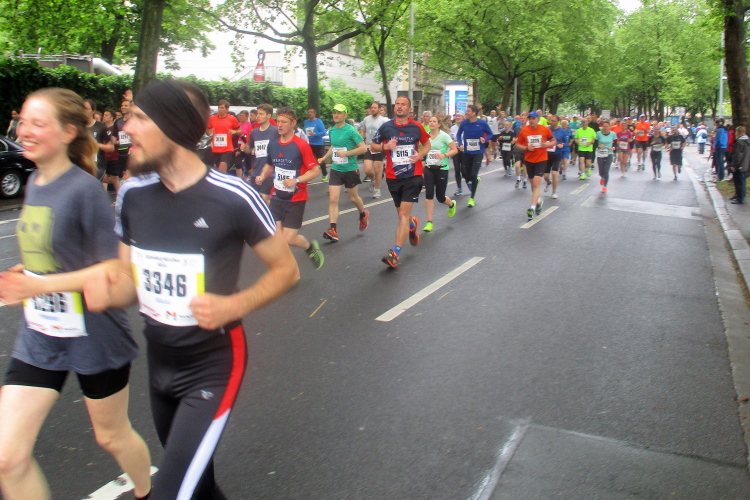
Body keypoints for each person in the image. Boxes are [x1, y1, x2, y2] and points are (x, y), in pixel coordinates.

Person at [108, 80, 299, 498]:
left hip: (212, 364)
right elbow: (125, 283)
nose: (127, 128)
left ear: (173, 125)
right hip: (159, 362)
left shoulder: (233, 196)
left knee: (172, 491)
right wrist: (86, 287)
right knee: (198, 487)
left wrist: (234, 304)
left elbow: (286, 271)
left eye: (139, 118)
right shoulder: (132, 195)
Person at [0, 88, 152, 500]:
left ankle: (147, 492)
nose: (24, 130)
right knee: (7, 458)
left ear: (68, 132)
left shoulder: (84, 190)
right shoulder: (35, 182)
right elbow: (58, 252)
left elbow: (116, 270)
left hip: (94, 335)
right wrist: (29, 271)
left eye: (37, 123)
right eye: (23, 121)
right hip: (40, 333)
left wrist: (38, 285)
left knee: (112, 436)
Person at [370, 96, 430, 268]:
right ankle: (412, 224)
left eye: (403, 104)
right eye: (397, 104)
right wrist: (385, 146)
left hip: (413, 175)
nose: (399, 106)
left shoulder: (416, 127)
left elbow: (427, 144)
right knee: (402, 215)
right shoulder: (386, 127)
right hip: (393, 176)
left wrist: (420, 155)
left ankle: (395, 254)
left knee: (403, 214)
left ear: (409, 109)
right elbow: (373, 146)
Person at [319, 104, 369, 242]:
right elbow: (334, 146)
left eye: (339, 113)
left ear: (345, 115)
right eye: (334, 112)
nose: (336, 115)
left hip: (350, 169)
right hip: (336, 169)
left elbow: (363, 148)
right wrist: (324, 157)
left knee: (353, 198)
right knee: (333, 199)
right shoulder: (332, 130)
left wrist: (346, 153)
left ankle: (363, 214)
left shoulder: (351, 131)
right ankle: (333, 230)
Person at [516, 111, 555, 220]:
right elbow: (518, 144)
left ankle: (532, 208)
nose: (531, 120)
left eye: (533, 118)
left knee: (537, 182)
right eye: (530, 118)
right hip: (529, 159)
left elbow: (553, 141)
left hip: (541, 159)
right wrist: (526, 148)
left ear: (538, 119)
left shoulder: (545, 129)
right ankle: (538, 201)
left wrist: (547, 144)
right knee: (533, 184)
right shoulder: (524, 130)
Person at [422, 115, 458, 232]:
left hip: (442, 168)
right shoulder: (426, 136)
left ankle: (451, 205)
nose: (431, 123)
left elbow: (454, 150)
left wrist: (444, 155)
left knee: (440, 197)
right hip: (429, 168)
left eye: (434, 121)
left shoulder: (444, 136)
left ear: (438, 124)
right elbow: (423, 150)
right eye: (430, 121)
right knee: (429, 195)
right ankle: (429, 222)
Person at [456, 105, 493, 207]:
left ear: (474, 113)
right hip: (467, 152)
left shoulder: (482, 123)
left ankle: (472, 198)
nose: (466, 113)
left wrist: (485, 139)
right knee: (465, 173)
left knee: (473, 174)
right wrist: (460, 144)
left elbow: (490, 134)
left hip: (478, 152)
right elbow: (458, 134)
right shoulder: (464, 123)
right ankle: (474, 181)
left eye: (468, 111)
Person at [245, 103, 279, 203]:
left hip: (270, 171)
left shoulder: (276, 131)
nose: (258, 116)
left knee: (264, 199)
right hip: (256, 170)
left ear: (269, 116)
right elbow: (249, 149)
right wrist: (244, 148)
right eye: (257, 114)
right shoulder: (254, 132)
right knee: (255, 200)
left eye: (261, 114)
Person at [360, 101, 389, 198]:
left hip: (379, 147)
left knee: (377, 170)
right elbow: (363, 130)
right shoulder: (366, 119)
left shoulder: (384, 121)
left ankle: (377, 189)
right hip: (369, 146)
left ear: (379, 109)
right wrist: (360, 141)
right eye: (372, 107)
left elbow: (389, 131)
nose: (373, 109)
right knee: (367, 169)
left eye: (375, 108)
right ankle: (373, 179)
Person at [207, 100, 241, 174]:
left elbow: (240, 131)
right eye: (219, 107)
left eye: (222, 108)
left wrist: (234, 132)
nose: (220, 109)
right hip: (215, 149)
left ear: (227, 109)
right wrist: (209, 132)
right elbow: (207, 130)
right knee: (217, 171)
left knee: (222, 170)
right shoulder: (212, 119)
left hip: (227, 149)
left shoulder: (232, 119)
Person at [84, 99, 112, 181]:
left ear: (93, 111)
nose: (83, 111)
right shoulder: (79, 126)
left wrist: (96, 145)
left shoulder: (101, 127)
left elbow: (111, 147)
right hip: (82, 164)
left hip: (97, 165)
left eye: (86, 109)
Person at [303, 108, 328, 182]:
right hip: (309, 144)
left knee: (320, 160)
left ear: (314, 114)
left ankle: (324, 174)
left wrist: (315, 134)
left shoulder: (318, 121)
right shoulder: (306, 122)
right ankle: (310, 176)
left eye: (311, 112)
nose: (310, 113)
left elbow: (323, 132)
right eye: (309, 112)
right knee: (309, 160)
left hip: (318, 144)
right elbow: (304, 132)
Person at [101, 109, 122, 195]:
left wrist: (112, 142)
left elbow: (120, 141)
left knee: (114, 178)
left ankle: (120, 196)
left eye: (107, 115)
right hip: (104, 156)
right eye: (104, 115)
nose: (104, 117)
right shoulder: (102, 128)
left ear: (112, 117)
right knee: (103, 177)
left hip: (114, 156)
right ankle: (104, 196)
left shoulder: (115, 128)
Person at [545, 115, 566, 199]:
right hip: (547, 154)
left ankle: (554, 192)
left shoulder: (562, 131)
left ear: (558, 122)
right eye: (551, 120)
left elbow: (566, 142)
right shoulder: (547, 129)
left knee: (554, 173)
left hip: (557, 154)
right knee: (545, 176)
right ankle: (548, 182)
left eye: (553, 121)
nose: (552, 122)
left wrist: (562, 145)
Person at [594, 120, 616, 193]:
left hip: (609, 153)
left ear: (609, 127)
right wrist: (598, 145)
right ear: (602, 127)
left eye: (607, 126)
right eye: (604, 126)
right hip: (601, 153)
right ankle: (602, 177)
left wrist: (613, 147)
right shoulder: (598, 133)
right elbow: (595, 143)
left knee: (606, 170)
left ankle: (605, 186)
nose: (605, 128)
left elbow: (616, 143)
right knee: (601, 171)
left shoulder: (612, 134)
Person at [113, 99, 132, 180]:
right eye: (122, 105)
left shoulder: (134, 120)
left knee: (130, 174)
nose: (123, 107)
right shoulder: (117, 122)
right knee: (123, 176)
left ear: (131, 107)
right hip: (121, 151)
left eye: (125, 105)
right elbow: (113, 138)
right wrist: (117, 141)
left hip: (132, 151)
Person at [730, 125, 749, 204]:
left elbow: (738, 155)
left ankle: (739, 198)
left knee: (739, 182)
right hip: (745, 164)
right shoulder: (747, 141)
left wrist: (734, 165)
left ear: (738, 132)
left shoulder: (739, 142)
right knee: (742, 182)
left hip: (739, 165)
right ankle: (741, 196)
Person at [450, 113, 465, 195]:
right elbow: (449, 139)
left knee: (464, 170)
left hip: (465, 150)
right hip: (456, 150)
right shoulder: (453, 128)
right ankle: (459, 188)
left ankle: (471, 182)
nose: (458, 117)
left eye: (460, 116)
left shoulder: (466, 127)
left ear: (463, 117)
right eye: (457, 116)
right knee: (457, 169)